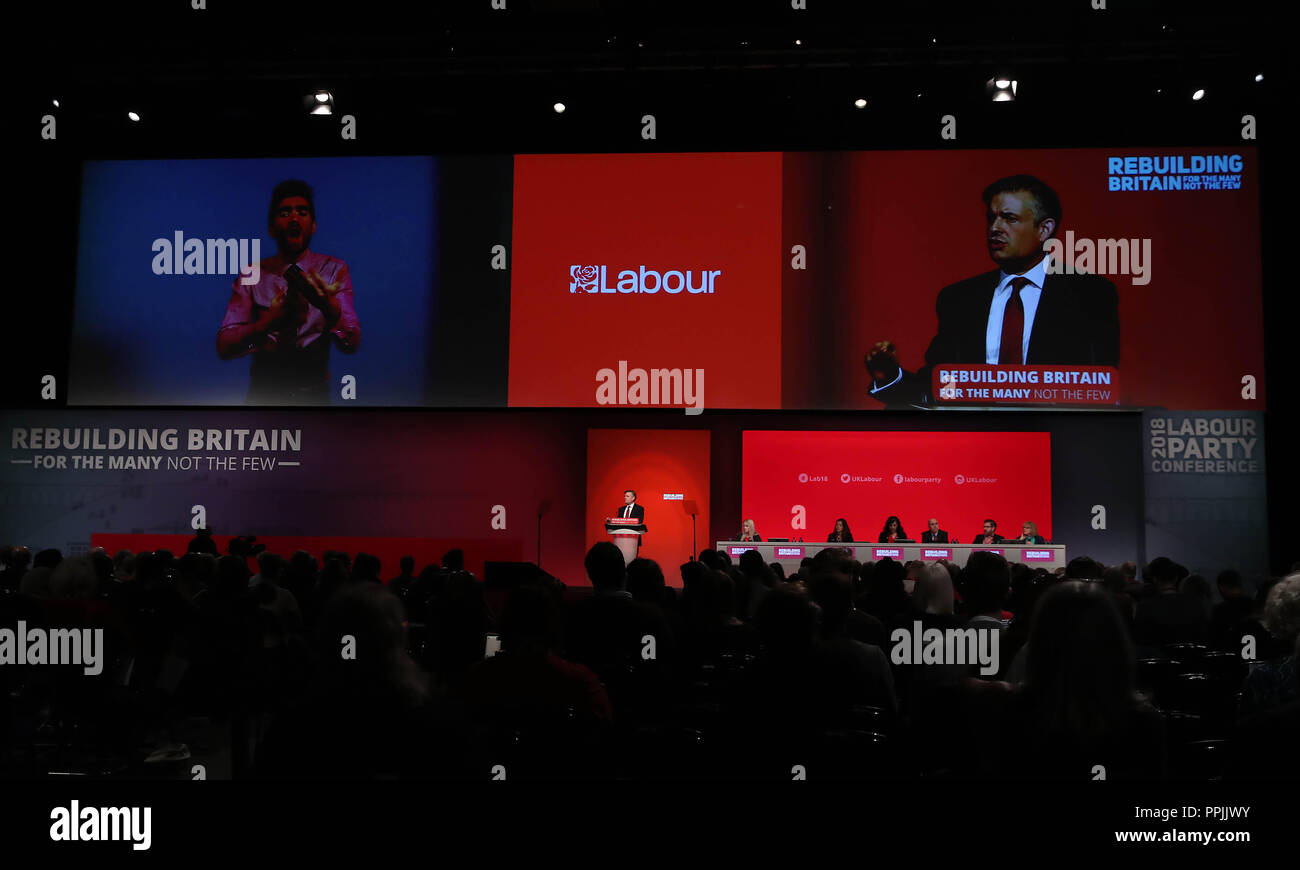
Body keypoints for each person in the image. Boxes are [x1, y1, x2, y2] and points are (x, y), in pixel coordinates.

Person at [865, 175, 1120, 406]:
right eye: (991, 217)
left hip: (1053, 443)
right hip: (977, 443)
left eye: (1009, 218)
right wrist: (889, 377)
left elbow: (1098, 391)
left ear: (1044, 230)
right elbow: (936, 389)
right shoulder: (959, 300)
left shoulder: (1090, 296)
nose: (994, 228)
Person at [217, 179, 361, 404]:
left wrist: (332, 311)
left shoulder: (334, 271)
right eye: (285, 213)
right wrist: (266, 324)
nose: (294, 218)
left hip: (314, 398)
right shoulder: (252, 274)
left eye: (302, 212)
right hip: (264, 397)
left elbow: (352, 344)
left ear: (313, 225)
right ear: (271, 228)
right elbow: (224, 346)